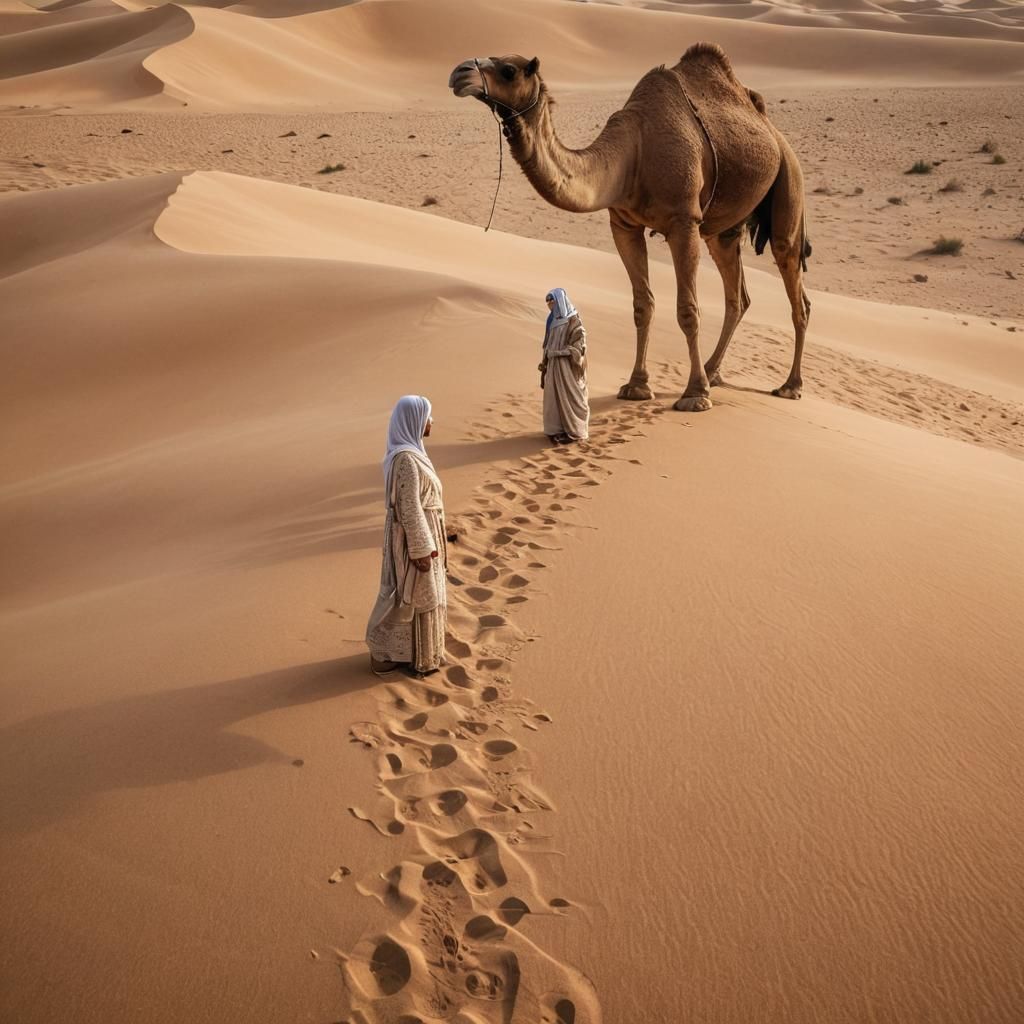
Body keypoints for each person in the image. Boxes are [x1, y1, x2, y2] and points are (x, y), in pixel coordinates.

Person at [366, 395, 447, 676]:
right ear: (413, 420)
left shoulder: (413, 454)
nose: (431, 422)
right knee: (415, 596)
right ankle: (389, 655)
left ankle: (416, 654)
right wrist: (421, 550)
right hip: (415, 537)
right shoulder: (406, 461)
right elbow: (410, 508)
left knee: (420, 595)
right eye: (427, 416)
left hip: (423, 532)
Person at [539, 287, 589, 444]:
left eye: (552, 302)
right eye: (548, 303)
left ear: (560, 301)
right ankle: (556, 430)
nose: (550, 306)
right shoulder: (551, 321)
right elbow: (547, 345)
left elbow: (579, 346)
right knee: (553, 398)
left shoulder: (573, 320)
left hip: (568, 368)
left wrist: (560, 353)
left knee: (571, 398)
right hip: (553, 367)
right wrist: (545, 362)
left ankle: (575, 431)